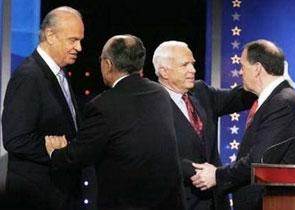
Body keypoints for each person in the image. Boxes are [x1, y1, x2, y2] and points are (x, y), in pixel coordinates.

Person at [45, 34, 186, 210]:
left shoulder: (104, 106)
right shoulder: (160, 94)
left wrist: (56, 153)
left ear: (108, 64)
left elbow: (79, 155)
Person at [191, 39, 295, 210]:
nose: (240, 72)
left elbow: (259, 161)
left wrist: (217, 175)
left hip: (270, 203)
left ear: (257, 69)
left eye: (242, 66)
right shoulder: (275, 99)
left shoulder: (283, 103)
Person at [152, 40, 256, 210]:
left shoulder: (201, 92)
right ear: (164, 72)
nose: (192, 70)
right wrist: (193, 171)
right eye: (184, 65)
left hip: (216, 202)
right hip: (180, 201)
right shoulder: (150, 105)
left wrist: (267, 81)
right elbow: (152, 155)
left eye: (192, 64)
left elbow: (238, 98)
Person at [2, 6, 84, 210]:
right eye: (73, 40)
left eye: (80, 40)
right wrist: (55, 151)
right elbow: (14, 138)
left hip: (60, 193)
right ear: (50, 36)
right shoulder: (29, 76)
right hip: (38, 197)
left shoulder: (59, 73)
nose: (79, 47)